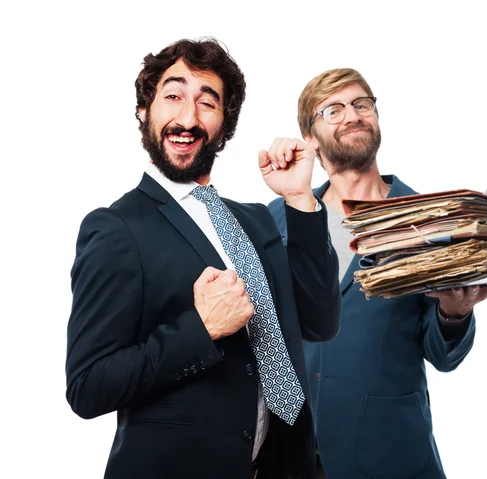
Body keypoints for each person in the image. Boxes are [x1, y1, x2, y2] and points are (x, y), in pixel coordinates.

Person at [65, 38, 341, 479]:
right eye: (172, 96)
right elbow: (87, 387)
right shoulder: (116, 229)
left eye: (207, 103)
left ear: (224, 124)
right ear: (144, 112)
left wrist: (300, 198)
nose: (188, 117)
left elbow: (320, 322)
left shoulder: (255, 220)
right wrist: (201, 329)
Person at [268, 68, 487, 479]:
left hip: (388, 454)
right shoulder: (281, 217)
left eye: (361, 104)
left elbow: (443, 356)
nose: (352, 115)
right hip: (291, 456)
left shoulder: (430, 221)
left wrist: (455, 314)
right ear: (310, 137)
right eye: (332, 109)